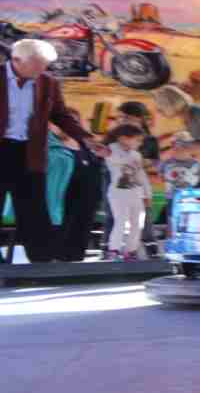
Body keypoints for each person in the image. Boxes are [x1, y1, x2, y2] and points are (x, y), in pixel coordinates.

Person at [4, 38, 102, 262]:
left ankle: (42, 262)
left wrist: (86, 139)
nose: (42, 69)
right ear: (17, 60)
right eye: (37, 64)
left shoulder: (48, 83)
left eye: (45, 64)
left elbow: (61, 116)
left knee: (34, 209)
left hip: (30, 152)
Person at [104, 121, 152, 258]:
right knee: (121, 221)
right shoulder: (111, 150)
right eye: (137, 140)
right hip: (119, 193)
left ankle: (131, 250)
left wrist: (147, 194)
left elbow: (141, 175)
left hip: (135, 194)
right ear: (123, 138)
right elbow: (113, 159)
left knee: (137, 223)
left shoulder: (136, 155)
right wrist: (129, 159)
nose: (140, 143)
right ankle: (114, 249)